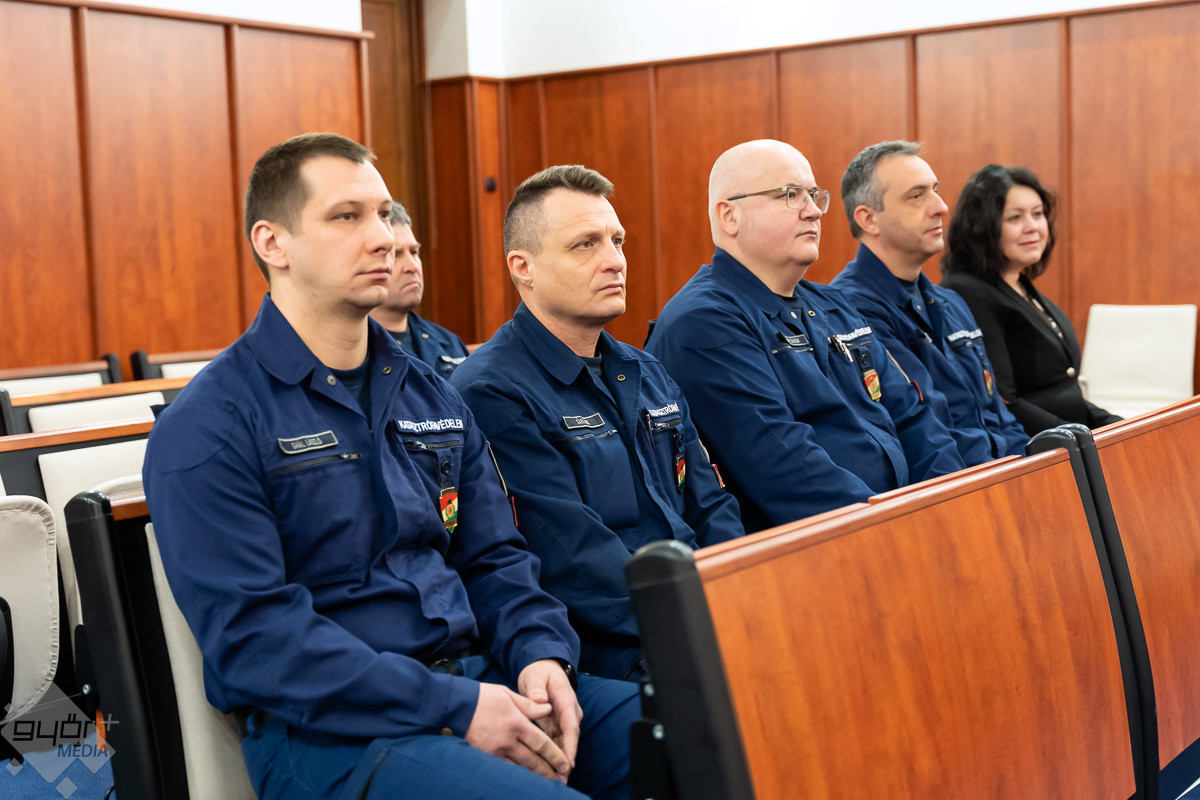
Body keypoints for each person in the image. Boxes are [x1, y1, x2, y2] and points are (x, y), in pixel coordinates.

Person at [143, 133, 637, 800]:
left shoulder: (429, 392)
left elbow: (494, 555)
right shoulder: (212, 423)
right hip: (333, 736)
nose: (381, 237)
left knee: (720, 732)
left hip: (480, 681)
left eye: (382, 213)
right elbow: (257, 639)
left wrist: (540, 652)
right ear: (273, 243)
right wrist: (453, 706)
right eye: (346, 216)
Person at [451, 165, 744, 682]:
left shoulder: (645, 370)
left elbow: (710, 504)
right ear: (524, 267)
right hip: (614, 646)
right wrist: (707, 620)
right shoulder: (493, 390)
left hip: (703, 610)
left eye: (617, 240)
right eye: (585, 245)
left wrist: (742, 590)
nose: (614, 260)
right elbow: (572, 560)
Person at [645, 139, 964, 533]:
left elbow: (915, 419)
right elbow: (789, 470)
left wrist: (950, 505)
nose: (813, 211)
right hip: (824, 544)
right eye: (790, 195)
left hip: (899, 521)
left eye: (813, 195)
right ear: (729, 216)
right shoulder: (704, 322)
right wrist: (902, 529)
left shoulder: (834, 304)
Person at [830, 141, 1027, 464]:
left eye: (935, 190)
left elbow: (999, 416)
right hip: (957, 483)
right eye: (916, 196)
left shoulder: (951, 302)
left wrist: (1031, 466)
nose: (941, 207)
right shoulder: (850, 312)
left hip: (1003, 473)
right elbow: (924, 436)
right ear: (868, 219)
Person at [940, 164, 1121, 435]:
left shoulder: (1018, 284)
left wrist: (1116, 425)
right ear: (982, 226)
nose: (1033, 227)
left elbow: (1063, 391)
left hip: (1068, 437)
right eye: (1015, 218)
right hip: (1036, 447)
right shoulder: (967, 291)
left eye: (1037, 214)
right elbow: (1004, 401)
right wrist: (1083, 440)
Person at [369, 203, 471, 378]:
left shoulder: (448, 343)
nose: (412, 266)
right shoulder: (355, 353)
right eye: (396, 254)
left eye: (414, 252)